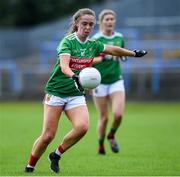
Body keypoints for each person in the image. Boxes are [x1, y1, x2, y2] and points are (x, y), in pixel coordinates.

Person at [24, 8, 147, 174]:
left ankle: (56, 154)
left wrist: (133, 53)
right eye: (84, 24)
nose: (88, 27)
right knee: (47, 136)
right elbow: (64, 66)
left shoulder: (93, 45)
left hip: (75, 93)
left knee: (82, 127)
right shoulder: (67, 42)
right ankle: (30, 166)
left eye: (91, 24)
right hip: (57, 91)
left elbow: (112, 49)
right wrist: (75, 77)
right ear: (76, 24)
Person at [91, 9, 128, 155]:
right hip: (99, 82)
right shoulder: (95, 39)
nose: (110, 21)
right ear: (101, 22)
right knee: (104, 117)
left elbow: (123, 53)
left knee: (118, 114)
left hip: (116, 80)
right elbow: (88, 60)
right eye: (107, 19)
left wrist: (124, 56)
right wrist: (103, 58)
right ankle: (100, 143)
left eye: (112, 19)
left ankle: (111, 135)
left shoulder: (119, 37)